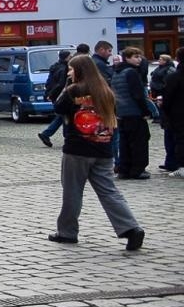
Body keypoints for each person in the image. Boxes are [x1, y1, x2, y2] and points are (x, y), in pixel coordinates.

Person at [48, 55, 144, 251]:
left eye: (71, 69)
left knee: (73, 192)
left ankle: (67, 233)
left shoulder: (73, 90)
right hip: (103, 148)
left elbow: (58, 107)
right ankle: (131, 228)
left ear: (80, 71)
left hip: (77, 149)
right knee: (109, 191)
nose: (69, 72)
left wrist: (66, 85)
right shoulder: (105, 90)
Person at [112, 47, 151, 179]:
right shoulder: (131, 73)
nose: (139, 59)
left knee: (125, 142)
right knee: (139, 141)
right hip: (134, 112)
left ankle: (124, 169)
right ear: (127, 58)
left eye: (139, 56)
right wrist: (145, 111)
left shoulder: (116, 72)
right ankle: (138, 169)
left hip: (122, 112)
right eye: (135, 56)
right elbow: (138, 94)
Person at [38, 50, 72, 147]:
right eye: (70, 56)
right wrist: (53, 94)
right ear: (66, 57)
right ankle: (65, 138)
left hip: (54, 95)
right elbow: (61, 84)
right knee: (64, 116)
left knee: (61, 116)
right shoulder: (64, 69)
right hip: (59, 95)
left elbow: (49, 82)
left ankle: (46, 134)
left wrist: (48, 93)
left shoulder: (54, 67)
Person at [160, 63, 184, 177]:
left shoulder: (174, 77)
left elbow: (168, 96)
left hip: (178, 114)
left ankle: (182, 166)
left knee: (180, 139)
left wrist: (165, 110)